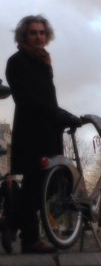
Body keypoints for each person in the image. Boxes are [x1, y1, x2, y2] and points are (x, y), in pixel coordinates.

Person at [5, 15, 81, 254]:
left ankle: (10, 225)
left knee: (49, 185)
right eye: (33, 32)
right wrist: (61, 115)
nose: (39, 36)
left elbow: (47, 98)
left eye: (42, 33)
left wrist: (63, 115)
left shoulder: (43, 61)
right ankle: (29, 239)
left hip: (48, 131)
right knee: (35, 185)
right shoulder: (17, 61)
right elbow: (27, 100)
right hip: (32, 133)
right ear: (23, 36)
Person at [0, 173, 21, 251]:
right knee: (7, 224)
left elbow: (19, 195)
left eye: (9, 178)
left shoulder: (16, 185)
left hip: (15, 207)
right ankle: (8, 239)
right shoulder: (3, 186)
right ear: (6, 179)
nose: (8, 179)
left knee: (13, 223)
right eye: (7, 178)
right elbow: (0, 197)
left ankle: (11, 237)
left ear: (11, 178)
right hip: (7, 208)